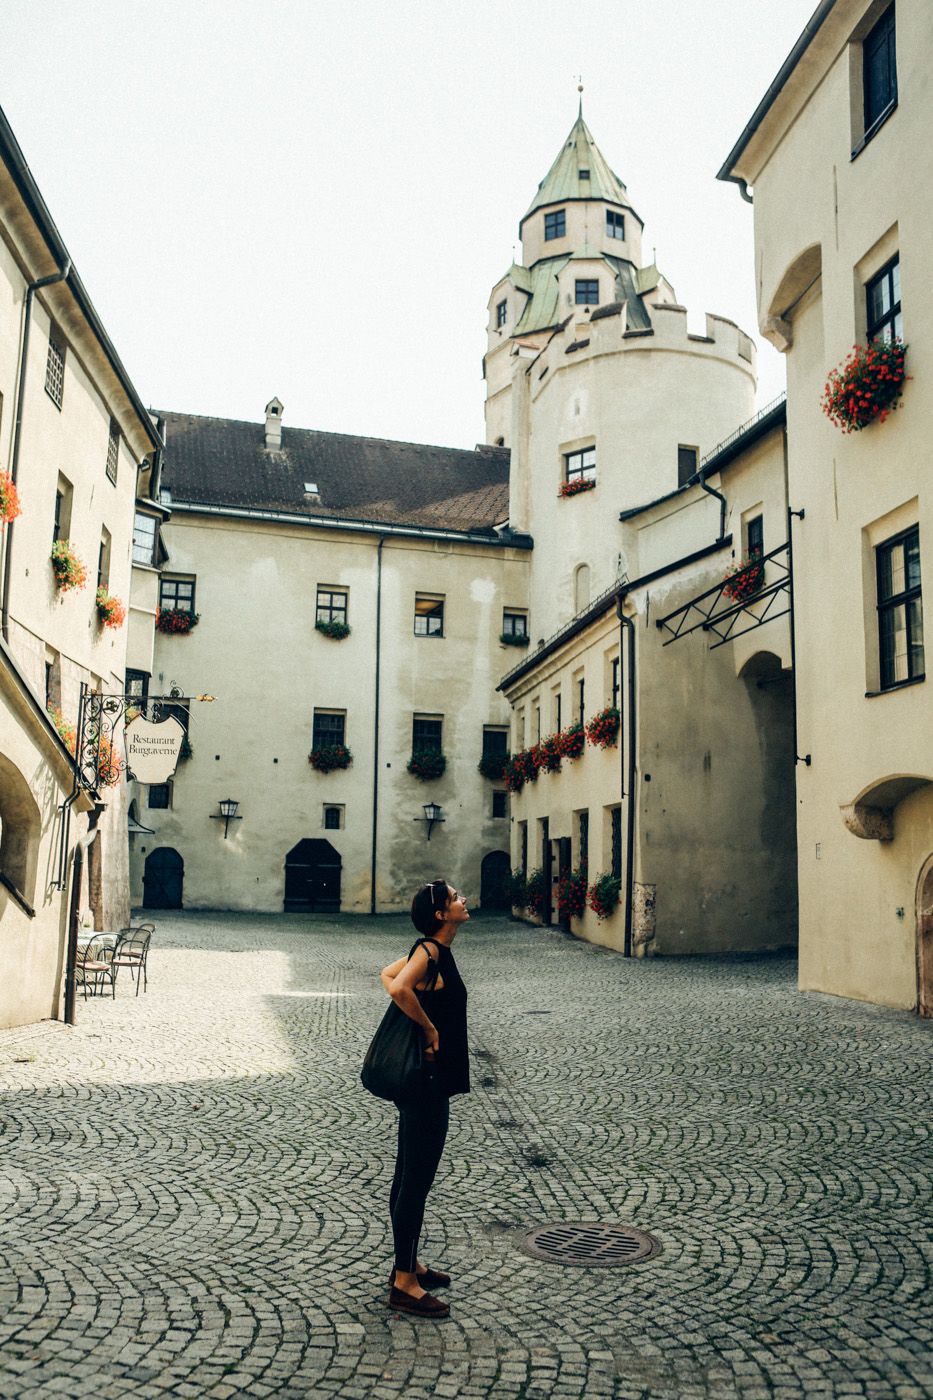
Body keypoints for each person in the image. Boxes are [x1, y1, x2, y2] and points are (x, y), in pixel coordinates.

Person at [378, 878, 470, 1319]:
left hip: (427, 1079)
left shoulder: (431, 952)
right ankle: (404, 1283)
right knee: (415, 1179)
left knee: (408, 1173)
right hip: (426, 1081)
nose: (462, 900)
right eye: (454, 898)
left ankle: (408, 1263)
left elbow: (388, 974)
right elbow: (398, 988)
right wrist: (429, 1028)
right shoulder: (430, 952)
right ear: (441, 914)